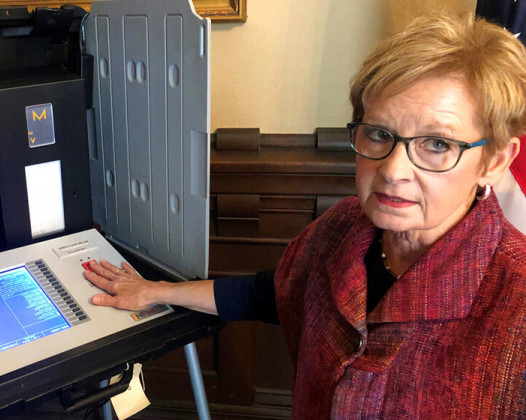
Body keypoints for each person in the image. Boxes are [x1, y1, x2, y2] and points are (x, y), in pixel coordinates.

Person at [83, 13, 526, 418]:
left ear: (494, 161)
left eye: (437, 144)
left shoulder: (515, 299)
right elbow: (269, 293)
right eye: (378, 134)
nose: (393, 171)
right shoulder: (342, 230)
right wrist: (155, 291)